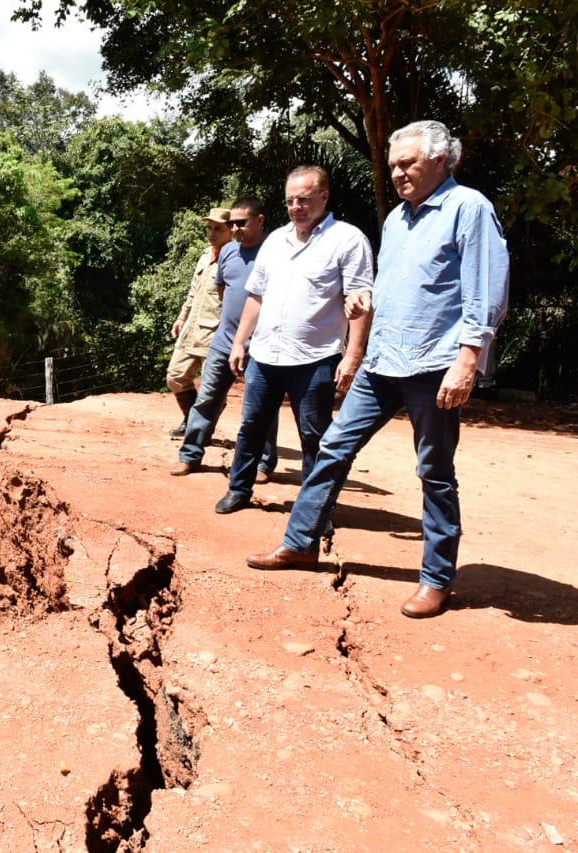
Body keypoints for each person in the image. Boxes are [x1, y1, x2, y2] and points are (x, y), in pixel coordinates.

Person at [246, 121, 509, 619]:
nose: (398, 173)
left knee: (434, 471)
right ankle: (300, 543)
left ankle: (436, 580)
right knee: (332, 447)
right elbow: (398, 284)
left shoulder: (469, 208)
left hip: (435, 364)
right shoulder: (396, 220)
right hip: (383, 360)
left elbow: (486, 292)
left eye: (408, 163)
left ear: (440, 160)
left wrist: (468, 361)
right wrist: (367, 300)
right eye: (393, 166)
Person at [214, 165, 374, 514]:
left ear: (324, 197)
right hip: (265, 356)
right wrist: (240, 342)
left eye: (303, 199)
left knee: (314, 436)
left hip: (315, 359)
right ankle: (239, 490)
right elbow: (256, 296)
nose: (296, 207)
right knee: (251, 428)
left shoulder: (347, 240)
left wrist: (353, 356)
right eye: (290, 201)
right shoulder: (275, 241)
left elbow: (361, 300)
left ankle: (314, 510)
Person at [170, 198, 279, 478]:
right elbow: (223, 292)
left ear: (260, 221)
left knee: (261, 406)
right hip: (224, 342)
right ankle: (190, 455)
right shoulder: (228, 251)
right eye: (232, 224)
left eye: (241, 223)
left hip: (261, 345)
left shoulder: (276, 251)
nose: (236, 229)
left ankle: (264, 463)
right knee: (207, 399)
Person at [165, 207, 233, 437]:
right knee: (175, 376)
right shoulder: (205, 255)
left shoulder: (235, 259)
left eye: (218, 229)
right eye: (209, 228)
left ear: (231, 230)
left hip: (215, 331)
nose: (212, 234)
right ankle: (192, 420)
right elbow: (194, 292)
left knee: (211, 388)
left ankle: (198, 429)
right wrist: (181, 317)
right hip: (192, 327)